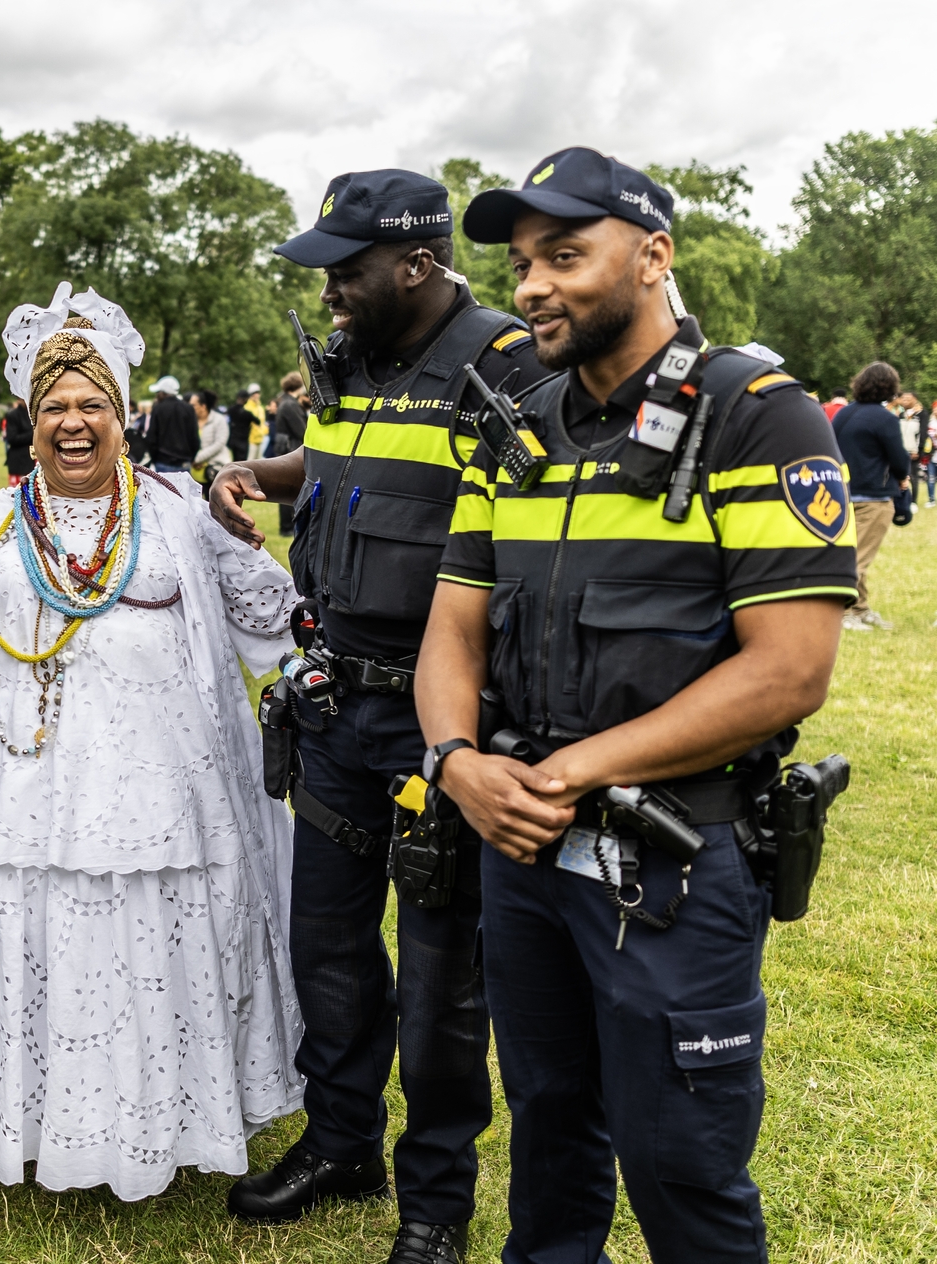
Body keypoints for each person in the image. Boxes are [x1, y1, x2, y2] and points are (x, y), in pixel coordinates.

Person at [419, 146, 857, 1264]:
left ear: (653, 254)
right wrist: (457, 759)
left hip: (672, 859)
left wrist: (574, 770)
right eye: (521, 263)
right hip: (521, 852)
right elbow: (454, 627)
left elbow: (788, 669)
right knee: (550, 1145)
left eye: (565, 254)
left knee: (682, 1169)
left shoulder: (763, 416)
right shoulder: (511, 424)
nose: (530, 287)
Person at [0, 282, 304, 1201]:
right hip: (8, 787)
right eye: (54, 405)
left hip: (161, 800)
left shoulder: (179, 514)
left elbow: (272, 621)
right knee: (22, 938)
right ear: (27, 418)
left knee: (141, 947)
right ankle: (22, 1122)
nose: (72, 422)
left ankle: (148, 1126)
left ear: (123, 415)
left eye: (92, 404)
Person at [210, 168, 545, 1263]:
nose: (330, 293)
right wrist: (262, 472)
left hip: (439, 714)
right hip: (332, 703)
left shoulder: (508, 365)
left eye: (346, 272)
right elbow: (345, 465)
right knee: (331, 948)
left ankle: (435, 1203)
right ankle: (343, 1139)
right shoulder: (347, 362)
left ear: (414, 263)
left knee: (446, 977)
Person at [830, 361, 910, 632]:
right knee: (858, 560)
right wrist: (903, 477)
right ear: (890, 387)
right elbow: (899, 459)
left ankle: (860, 608)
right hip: (874, 496)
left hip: (842, 493)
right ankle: (844, 613)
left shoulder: (843, 414)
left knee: (852, 551)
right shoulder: (885, 418)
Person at [271, 371, 307, 535]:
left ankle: (287, 526)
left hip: (284, 447)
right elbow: (301, 431)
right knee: (289, 489)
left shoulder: (284, 401)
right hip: (290, 448)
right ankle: (287, 527)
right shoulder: (290, 404)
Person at [147, 374, 198, 473]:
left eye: (158, 392)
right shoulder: (188, 408)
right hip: (184, 462)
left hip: (163, 461)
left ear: (163, 393)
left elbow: (152, 437)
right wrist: (191, 457)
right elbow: (194, 437)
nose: (157, 395)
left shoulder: (158, 408)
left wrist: (154, 458)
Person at [191, 387, 231, 487]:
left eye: (193, 405)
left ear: (203, 406)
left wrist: (197, 459)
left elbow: (219, 443)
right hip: (195, 471)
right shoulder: (191, 421)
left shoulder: (219, 420)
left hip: (214, 469)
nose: (190, 407)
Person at [2, 394, 35, 487]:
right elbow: (12, 438)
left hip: (35, 460)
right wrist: (33, 433)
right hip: (20, 460)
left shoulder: (35, 413)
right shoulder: (13, 415)